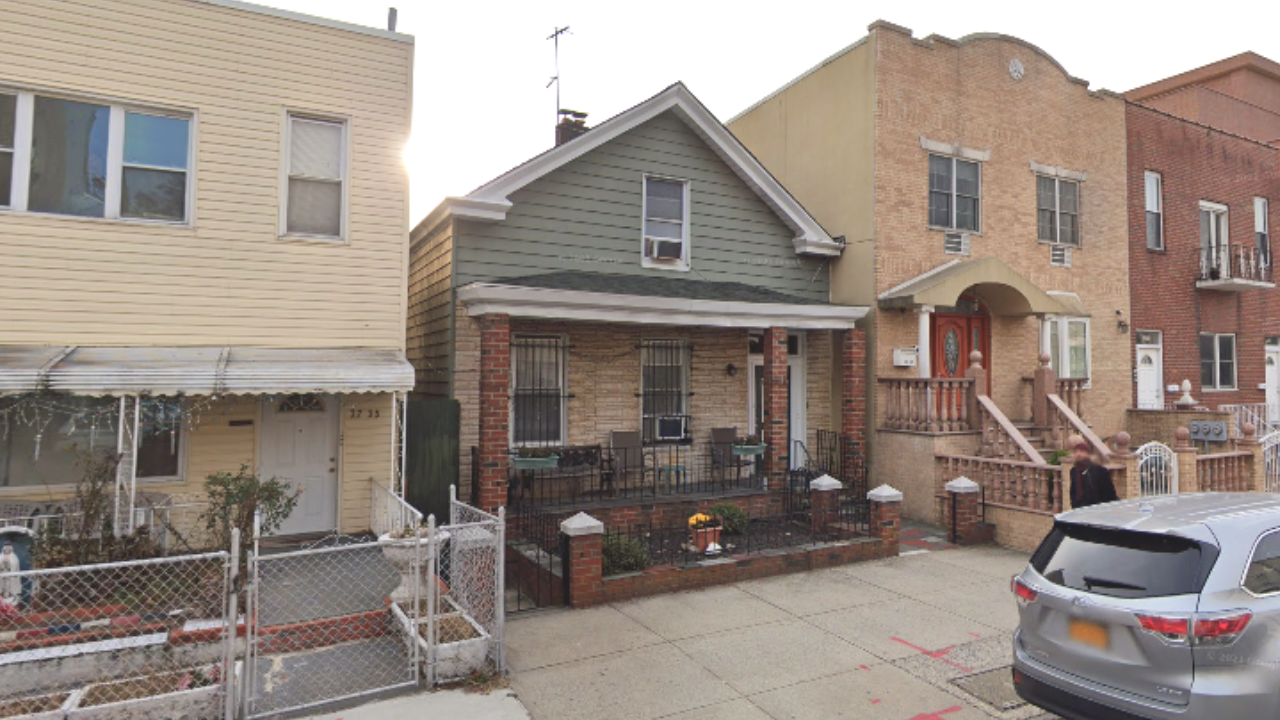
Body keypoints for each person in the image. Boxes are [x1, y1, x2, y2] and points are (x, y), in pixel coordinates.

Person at [1069, 441, 1118, 508]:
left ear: (1088, 454)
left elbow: (1109, 494)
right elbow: (1073, 491)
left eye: (1081, 451)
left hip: (1096, 510)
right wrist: (1074, 504)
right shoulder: (1074, 471)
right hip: (1079, 509)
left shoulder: (1100, 471)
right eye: (1076, 452)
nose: (1078, 454)